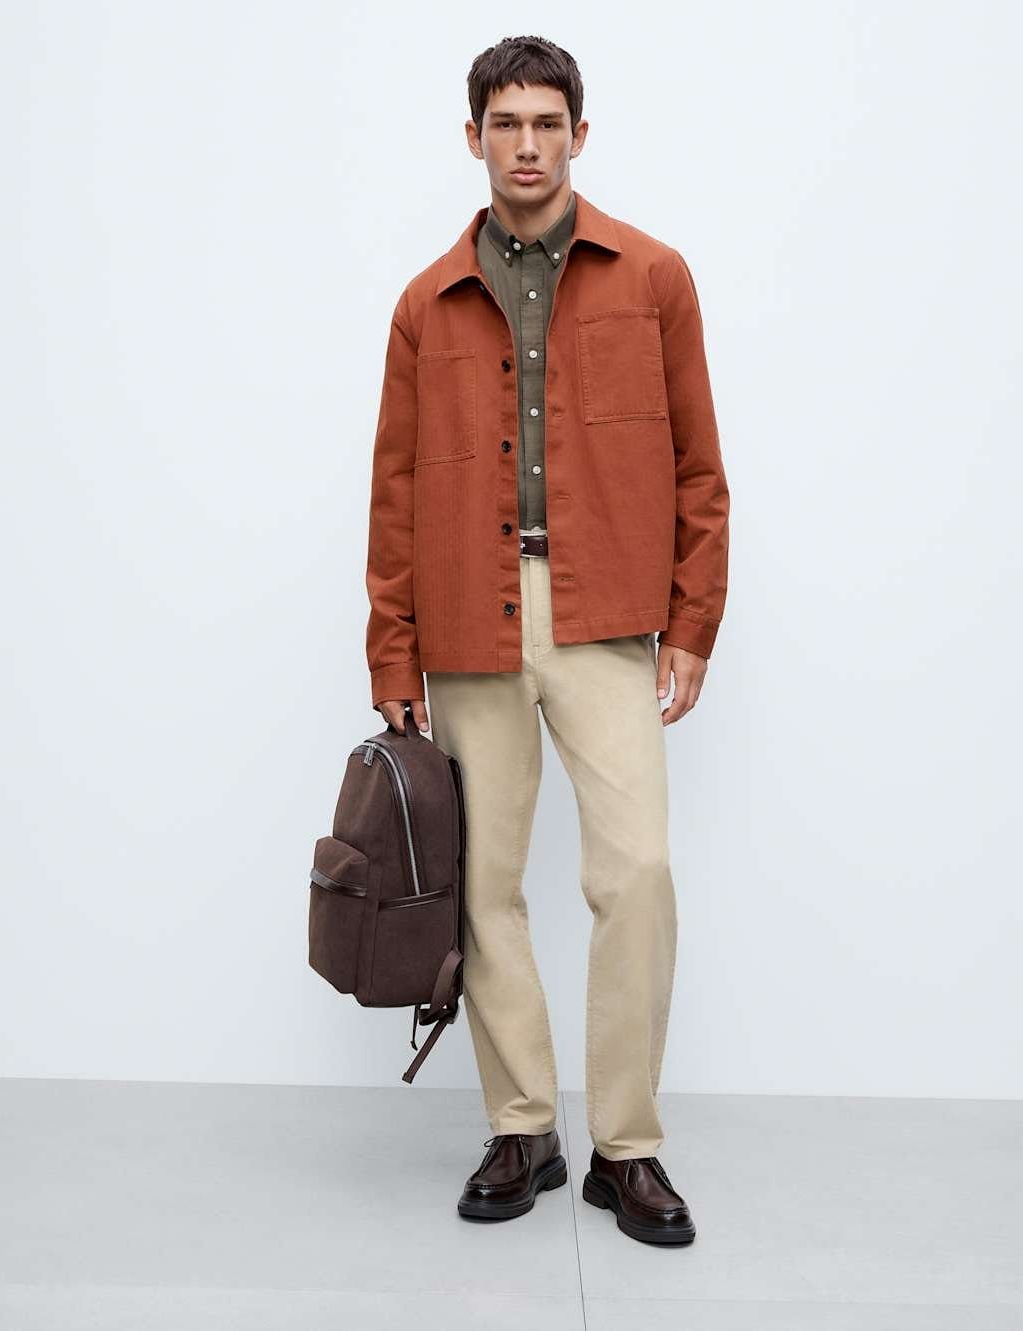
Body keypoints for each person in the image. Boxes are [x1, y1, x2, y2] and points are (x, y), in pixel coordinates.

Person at [363, 34, 729, 1246]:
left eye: (546, 123)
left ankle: (625, 1146)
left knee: (638, 873)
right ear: (473, 137)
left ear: (579, 133)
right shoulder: (425, 303)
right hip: (469, 615)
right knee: (483, 887)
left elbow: (698, 467)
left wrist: (692, 621)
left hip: (607, 611)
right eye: (506, 124)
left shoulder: (654, 277)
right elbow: (395, 490)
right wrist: (392, 653)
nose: (527, 145)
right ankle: (521, 1124)